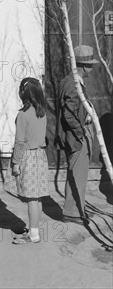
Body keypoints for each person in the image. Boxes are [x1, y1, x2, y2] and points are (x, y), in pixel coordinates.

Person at [4, 78, 49, 244]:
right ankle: (34, 228)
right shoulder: (42, 112)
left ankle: (33, 234)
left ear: (23, 93)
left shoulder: (23, 114)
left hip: (27, 157)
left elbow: (19, 141)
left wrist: (16, 163)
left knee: (30, 198)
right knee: (37, 197)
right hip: (40, 156)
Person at [57, 45, 98, 225]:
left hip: (77, 134)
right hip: (77, 136)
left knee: (77, 173)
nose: (91, 68)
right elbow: (69, 114)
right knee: (77, 174)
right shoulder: (73, 84)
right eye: (89, 65)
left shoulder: (72, 81)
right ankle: (72, 212)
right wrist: (81, 133)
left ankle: (76, 209)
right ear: (82, 65)